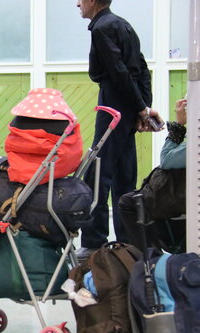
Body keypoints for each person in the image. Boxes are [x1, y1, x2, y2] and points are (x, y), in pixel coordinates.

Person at [74, 0, 164, 260]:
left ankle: (93, 241)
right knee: (124, 173)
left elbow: (118, 72)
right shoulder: (123, 25)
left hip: (113, 101)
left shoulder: (102, 28)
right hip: (128, 104)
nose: (77, 3)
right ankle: (128, 241)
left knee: (98, 172)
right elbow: (141, 69)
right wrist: (143, 108)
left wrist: (141, 111)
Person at [119, 98, 188, 253]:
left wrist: (179, 124)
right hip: (183, 205)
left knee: (129, 204)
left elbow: (167, 159)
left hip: (182, 208)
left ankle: (152, 261)